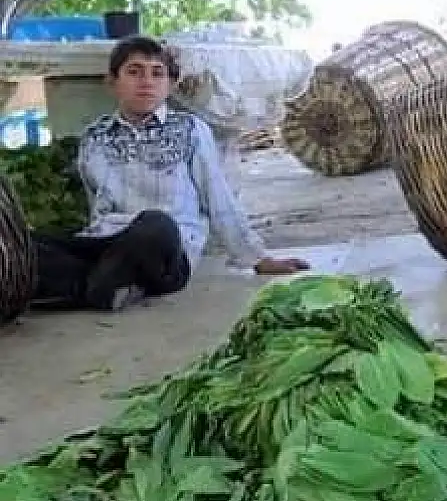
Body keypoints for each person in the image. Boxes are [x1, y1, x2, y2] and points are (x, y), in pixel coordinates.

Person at [30, 36, 309, 312]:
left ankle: (88, 287)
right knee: (29, 243)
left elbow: (218, 198)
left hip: (165, 250)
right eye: (134, 72)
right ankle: (104, 287)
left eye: (157, 73)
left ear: (170, 84)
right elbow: (97, 206)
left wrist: (258, 259)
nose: (146, 82)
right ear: (112, 83)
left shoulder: (190, 129)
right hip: (107, 241)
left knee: (154, 224)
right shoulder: (95, 137)